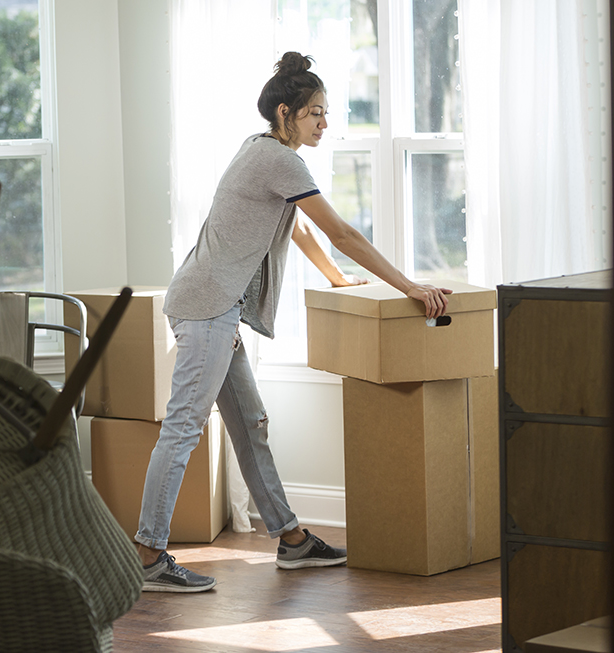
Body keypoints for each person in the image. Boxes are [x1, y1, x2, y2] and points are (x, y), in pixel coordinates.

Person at [137, 51, 452, 592]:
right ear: (286, 113)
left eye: (326, 113)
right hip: (207, 305)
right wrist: (411, 287)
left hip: (217, 304)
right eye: (316, 114)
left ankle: (292, 540)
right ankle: (146, 556)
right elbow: (341, 232)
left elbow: (300, 230)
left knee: (250, 425)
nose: (325, 123)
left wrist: (335, 278)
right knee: (184, 427)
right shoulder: (279, 160)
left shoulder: (263, 150)